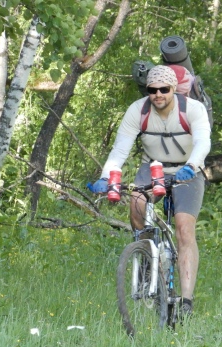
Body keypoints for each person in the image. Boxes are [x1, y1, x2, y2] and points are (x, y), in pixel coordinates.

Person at [89, 65, 211, 316]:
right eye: (152, 90)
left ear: (173, 89)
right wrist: (105, 176)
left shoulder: (192, 109)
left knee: (184, 228)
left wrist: (191, 166)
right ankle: (146, 257)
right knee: (137, 204)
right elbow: (121, 148)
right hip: (152, 168)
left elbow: (202, 142)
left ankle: (186, 302)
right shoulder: (138, 110)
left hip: (187, 169)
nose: (158, 95)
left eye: (164, 90)